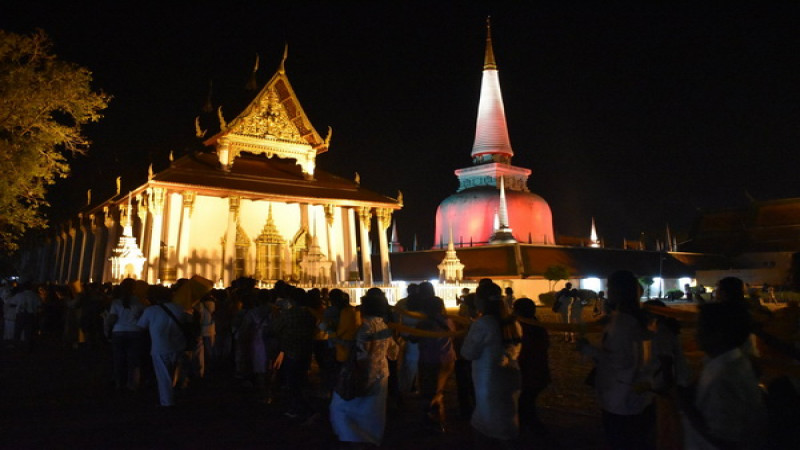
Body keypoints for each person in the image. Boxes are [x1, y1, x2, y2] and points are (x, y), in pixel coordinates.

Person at [577, 270, 655, 450]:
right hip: (640, 392)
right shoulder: (642, 318)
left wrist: (589, 350)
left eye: (610, 287)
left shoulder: (622, 322)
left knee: (620, 440)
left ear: (619, 291)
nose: (607, 290)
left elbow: (621, 362)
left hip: (620, 395)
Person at [680, 301, 767, 449]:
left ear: (717, 335)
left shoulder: (724, 377)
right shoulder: (731, 361)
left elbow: (726, 440)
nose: (695, 333)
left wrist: (686, 407)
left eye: (700, 327)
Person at [330, 287, 397, 446]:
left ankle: (352, 437)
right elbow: (394, 353)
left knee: (342, 409)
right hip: (381, 373)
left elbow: (362, 353)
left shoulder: (365, 328)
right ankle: (371, 438)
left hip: (364, 373)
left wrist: (335, 338)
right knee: (373, 412)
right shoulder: (384, 326)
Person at [461, 281, 522, 442]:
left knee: (488, 426)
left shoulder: (483, 324)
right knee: (507, 418)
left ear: (481, 301)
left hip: (488, 379)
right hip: (510, 375)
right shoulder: (512, 322)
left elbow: (468, 353)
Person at [136, 285, 188, 407]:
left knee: (164, 376)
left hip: (160, 347)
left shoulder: (151, 310)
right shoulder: (179, 308)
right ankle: (178, 393)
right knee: (175, 372)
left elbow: (141, 326)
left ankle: (167, 402)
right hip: (179, 345)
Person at [414, 283, 456, 432]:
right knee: (439, 390)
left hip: (429, 360)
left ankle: (435, 420)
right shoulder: (448, 320)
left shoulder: (424, 323)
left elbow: (413, 338)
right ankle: (438, 419)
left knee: (429, 391)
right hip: (447, 359)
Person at [512, 297, 551, 435]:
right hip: (539, 372)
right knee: (527, 404)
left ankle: (533, 433)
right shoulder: (538, 326)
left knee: (524, 405)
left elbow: (522, 352)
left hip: (528, 374)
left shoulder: (522, 328)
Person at [105, 278, 146, 391]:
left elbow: (112, 318)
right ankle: (132, 384)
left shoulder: (116, 302)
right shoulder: (140, 302)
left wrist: (108, 329)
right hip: (135, 332)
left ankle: (119, 383)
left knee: (118, 359)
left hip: (118, 332)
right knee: (133, 360)